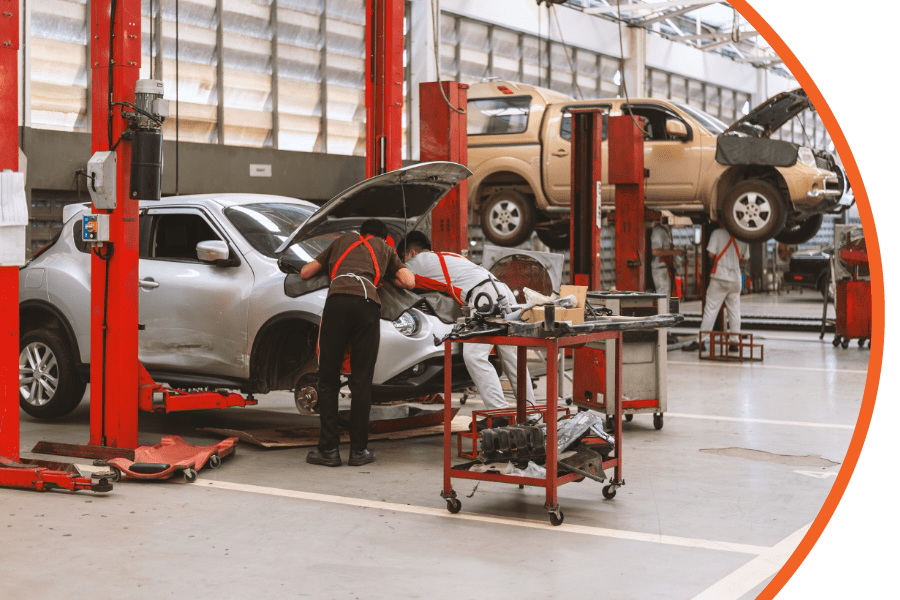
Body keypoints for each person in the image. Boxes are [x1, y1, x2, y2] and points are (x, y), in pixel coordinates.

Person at [299, 219, 415, 467]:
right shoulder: (384, 249)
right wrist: (385, 275)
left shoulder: (341, 242)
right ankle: (358, 451)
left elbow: (306, 272)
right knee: (361, 381)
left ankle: (328, 451)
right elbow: (409, 282)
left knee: (328, 379)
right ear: (383, 238)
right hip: (367, 305)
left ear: (361, 233)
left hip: (337, 302)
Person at [398, 231, 535, 430]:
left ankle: (498, 413)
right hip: (502, 292)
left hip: (484, 298)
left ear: (411, 253)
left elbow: (400, 278)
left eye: (404, 259)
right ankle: (530, 415)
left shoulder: (419, 260)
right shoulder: (449, 257)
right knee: (512, 358)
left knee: (474, 356)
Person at [693, 225, 749, 350]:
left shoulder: (717, 233)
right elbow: (745, 259)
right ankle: (734, 343)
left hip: (720, 277)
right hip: (735, 278)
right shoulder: (743, 236)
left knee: (711, 309)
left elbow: (711, 254)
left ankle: (700, 341)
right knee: (734, 311)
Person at [650, 222, 674, 297]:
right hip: (660, 268)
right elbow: (655, 251)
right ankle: (662, 309)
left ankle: (664, 308)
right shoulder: (658, 230)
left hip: (664, 267)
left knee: (666, 294)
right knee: (663, 294)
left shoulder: (666, 230)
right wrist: (675, 252)